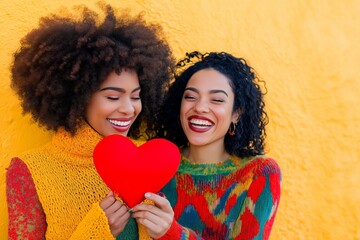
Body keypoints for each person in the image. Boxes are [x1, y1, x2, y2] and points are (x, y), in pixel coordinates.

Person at [6, 4, 175, 240]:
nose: (129, 109)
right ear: (79, 96)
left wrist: (169, 232)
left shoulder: (153, 161)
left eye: (136, 96)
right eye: (113, 97)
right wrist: (96, 232)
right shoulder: (30, 170)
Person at [131, 51, 281, 239]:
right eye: (190, 97)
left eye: (217, 99)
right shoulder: (155, 165)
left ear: (236, 113)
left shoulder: (259, 173)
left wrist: (172, 233)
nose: (200, 107)